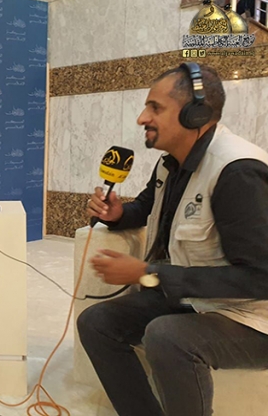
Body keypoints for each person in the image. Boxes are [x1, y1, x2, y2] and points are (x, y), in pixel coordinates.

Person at [78, 63, 268, 416]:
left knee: (167, 337)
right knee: (96, 323)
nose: (142, 118)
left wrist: (147, 273)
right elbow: (146, 208)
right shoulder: (169, 164)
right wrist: (117, 214)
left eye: (155, 108)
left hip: (253, 319)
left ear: (196, 114)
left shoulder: (238, 172)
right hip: (198, 300)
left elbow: (261, 277)